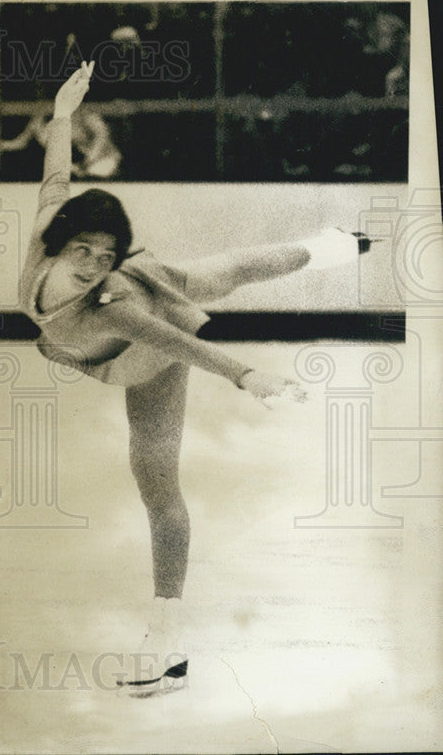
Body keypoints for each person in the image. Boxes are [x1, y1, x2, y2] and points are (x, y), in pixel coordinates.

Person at [23, 64, 372, 689]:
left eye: (105, 258)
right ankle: (333, 244)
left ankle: (166, 642)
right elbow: (55, 174)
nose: (92, 266)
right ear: (57, 242)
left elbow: (174, 341)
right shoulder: (43, 235)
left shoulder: (113, 299)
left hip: (150, 346)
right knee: (226, 270)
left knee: (157, 483)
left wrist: (245, 376)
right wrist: (62, 114)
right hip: (123, 318)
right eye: (83, 253)